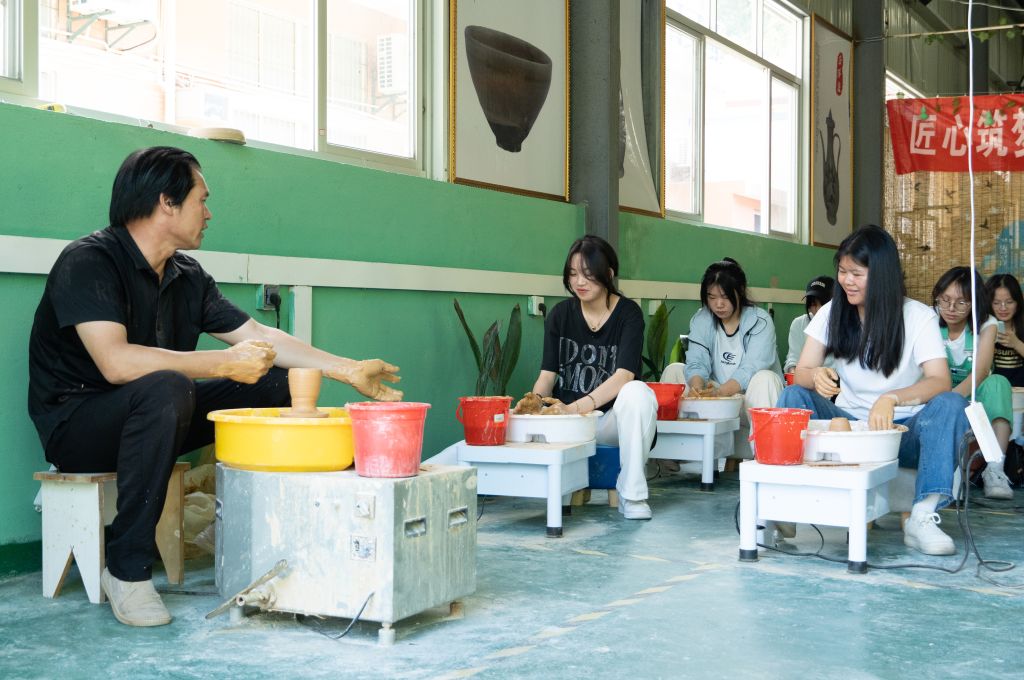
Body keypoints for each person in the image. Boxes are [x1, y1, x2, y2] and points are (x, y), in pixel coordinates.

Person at [27, 147, 403, 627]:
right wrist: (222, 363)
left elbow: (260, 337)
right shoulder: (88, 260)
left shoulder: (186, 275)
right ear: (166, 202)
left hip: (158, 414)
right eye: (201, 200)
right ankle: (125, 570)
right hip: (78, 427)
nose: (209, 213)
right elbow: (116, 363)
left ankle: (273, 540)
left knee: (272, 383)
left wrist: (346, 369)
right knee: (169, 387)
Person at [778, 225, 969, 556]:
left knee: (951, 404)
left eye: (857, 273)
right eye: (842, 271)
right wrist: (816, 375)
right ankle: (784, 501)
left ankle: (922, 518)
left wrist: (892, 399)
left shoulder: (918, 316)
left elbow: (940, 380)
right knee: (793, 397)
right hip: (849, 430)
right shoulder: (833, 311)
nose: (846, 281)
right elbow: (802, 371)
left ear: (881, 275)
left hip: (901, 434)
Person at [525, 235, 657, 520]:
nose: (579, 282)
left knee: (638, 392)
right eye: (573, 274)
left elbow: (624, 376)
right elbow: (547, 375)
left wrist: (577, 407)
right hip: (569, 423)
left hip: (609, 422)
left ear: (608, 273)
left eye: (588, 274)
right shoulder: (560, 314)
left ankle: (632, 495)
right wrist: (533, 405)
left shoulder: (628, 314)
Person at [661, 258, 784, 458]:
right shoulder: (702, 319)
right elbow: (697, 361)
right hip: (715, 396)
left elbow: (751, 368)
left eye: (725, 297)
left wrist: (718, 393)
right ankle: (670, 456)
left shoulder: (760, 321)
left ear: (740, 291)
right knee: (674, 370)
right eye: (711, 297)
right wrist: (698, 389)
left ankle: (767, 457)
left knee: (765, 378)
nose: (718, 304)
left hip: (746, 399)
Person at [932, 267, 1013, 499]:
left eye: (961, 303)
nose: (951, 308)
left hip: (975, 393)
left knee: (998, 383)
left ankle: (995, 469)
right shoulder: (930, 320)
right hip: (938, 390)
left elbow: (981, 371)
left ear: (975, 303)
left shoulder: (987, 324)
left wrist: (951, 401)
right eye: (944, 300)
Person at [784, 276, 835, 373]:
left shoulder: (847, 325)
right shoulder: (799, 324)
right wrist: (794, 372)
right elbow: (793, 359)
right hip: (807, 379)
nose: (818, 309)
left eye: (823, 304)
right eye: (813, 304)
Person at [985, 273, 1024, 387]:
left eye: (1009, 302)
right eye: (996, 303)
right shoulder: (981, 327)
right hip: (993, 391)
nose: (1003, 308)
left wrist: (1016, 344)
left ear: (1018, 302)